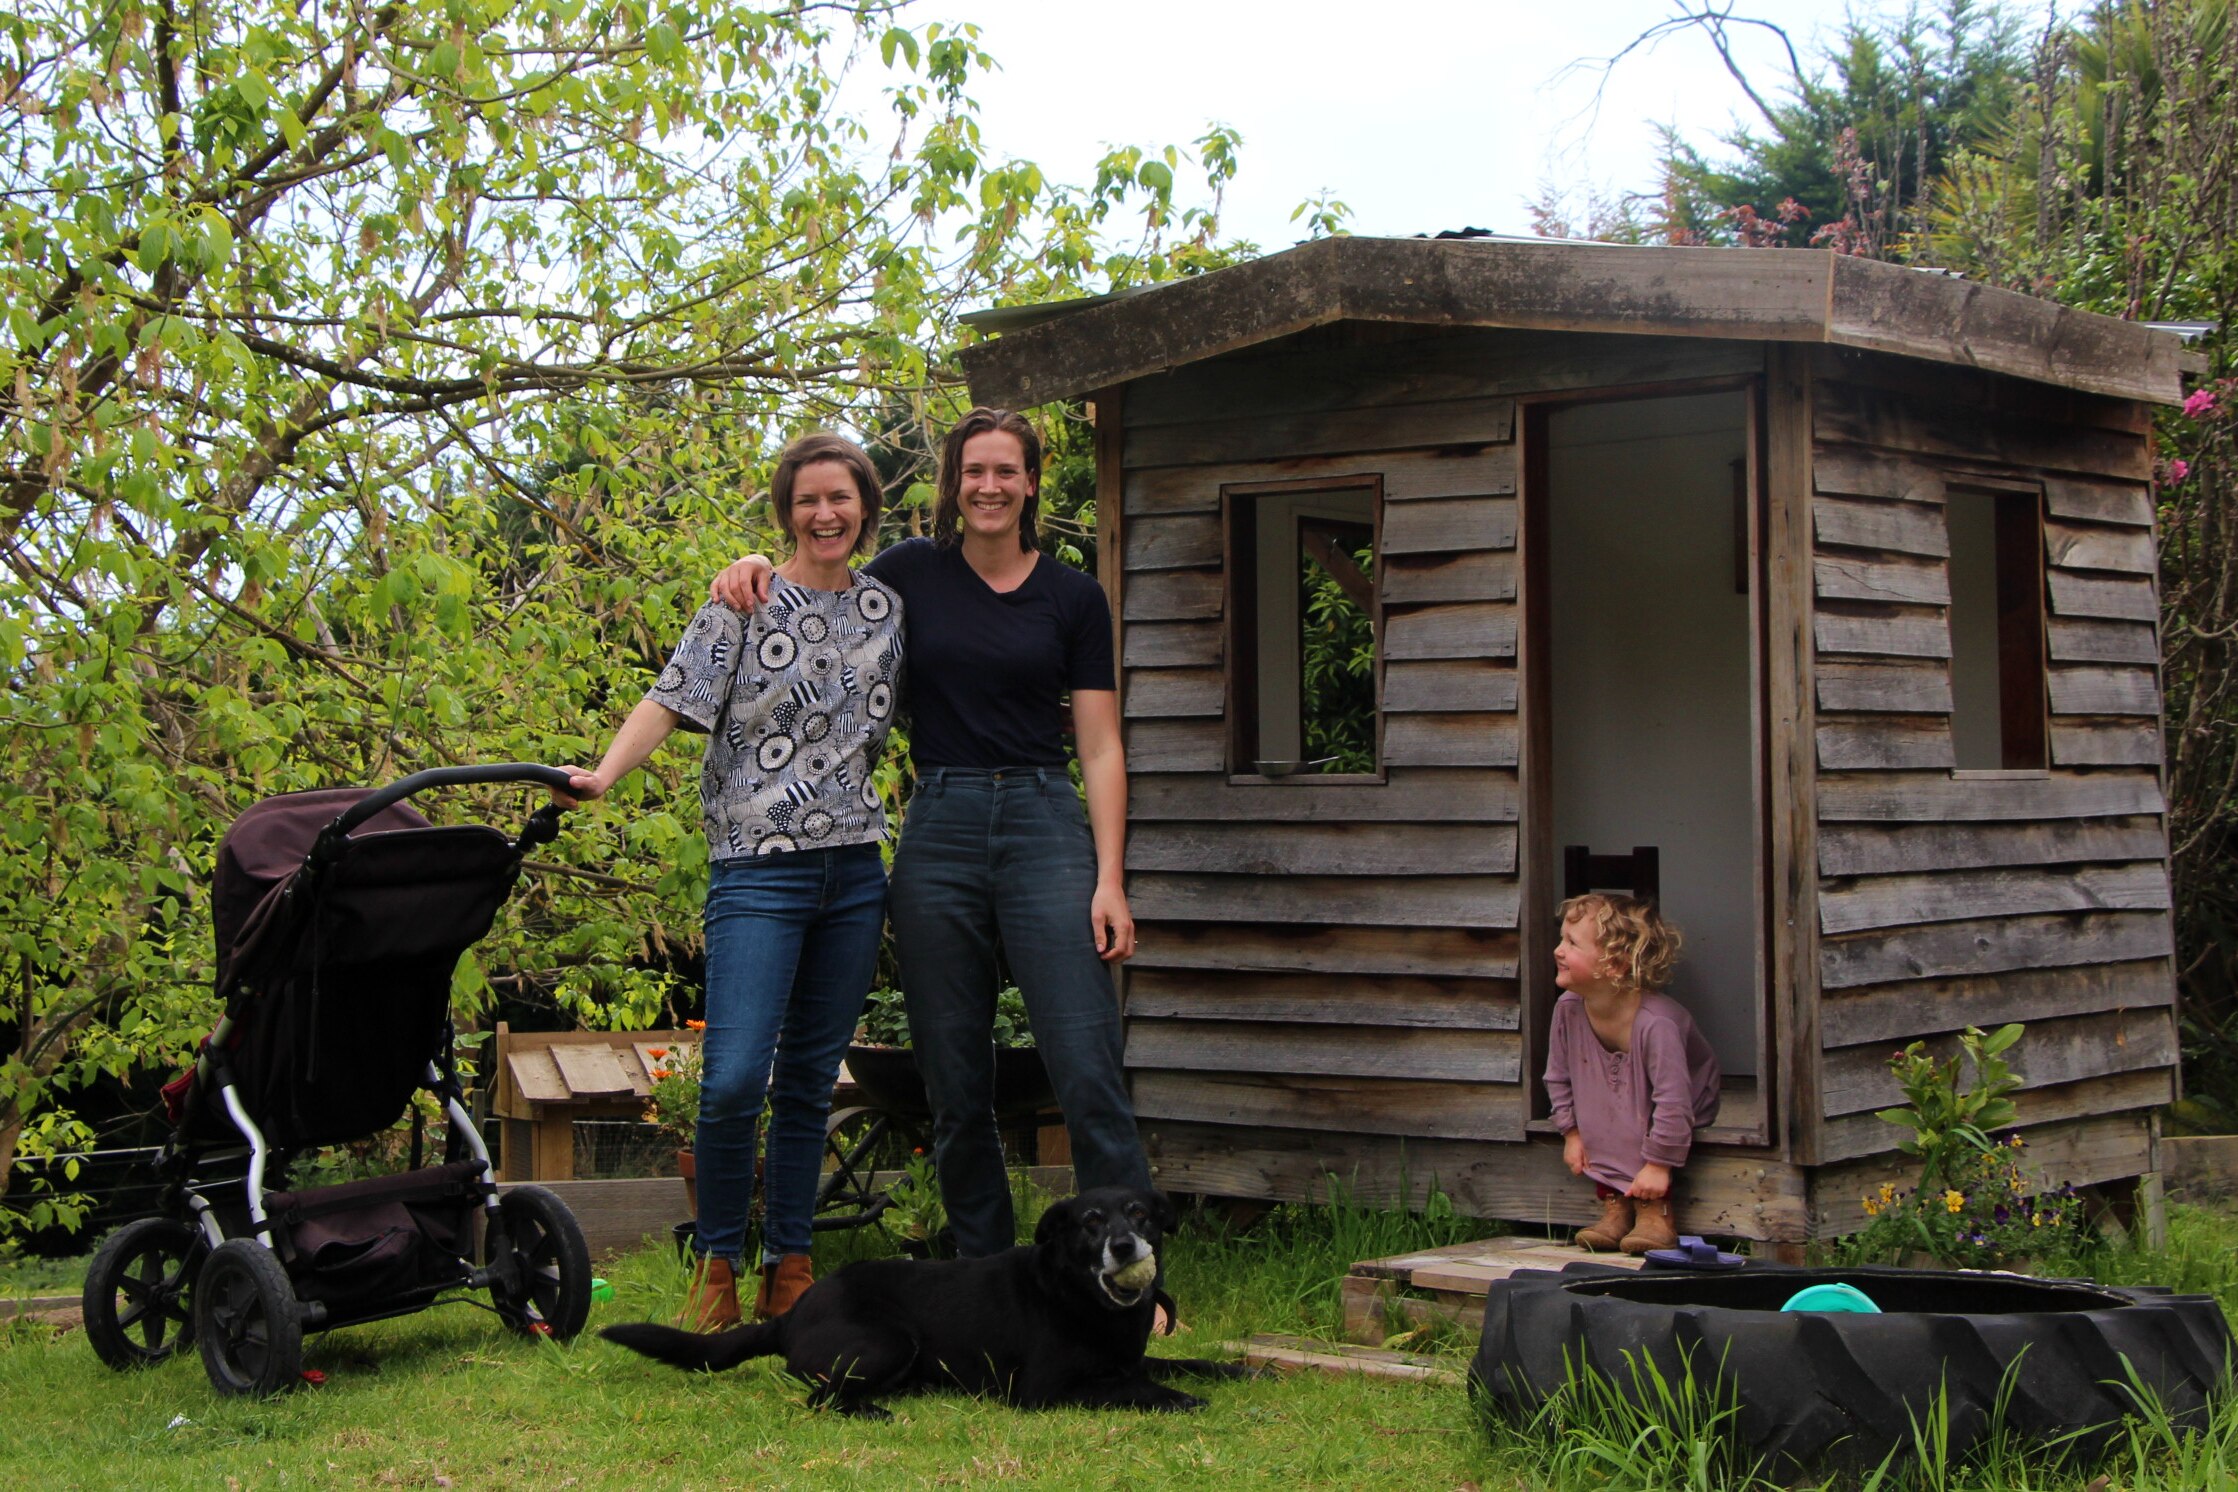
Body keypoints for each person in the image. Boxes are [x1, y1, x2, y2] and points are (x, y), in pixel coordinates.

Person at [709, 407, 1152, 1263]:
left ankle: (1127, 1264)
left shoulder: (1073, 596)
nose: (989, 488)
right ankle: (984, 1268)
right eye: (973, 472)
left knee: (1085, 1061)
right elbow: (820, 580)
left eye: (1005, 472)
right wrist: (754, 564)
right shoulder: (910, 573)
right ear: (953, 485)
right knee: (954, 1077)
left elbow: (1099, 746)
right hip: (938, 826)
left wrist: (1109, 878)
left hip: (1044, 821)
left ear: (1031, 483)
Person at [555, 432, 903, 1328]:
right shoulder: (741, 604)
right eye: (807, 500)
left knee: (809, 1080)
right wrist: (603, 773)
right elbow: (672, 700)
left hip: (856, 869)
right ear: (786, 513)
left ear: (865, 505)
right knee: (737, 1074)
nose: (825, 514)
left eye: (841, 498)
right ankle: (715, 1265)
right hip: (756, 871)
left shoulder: (889, 608)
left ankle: (791, 1264)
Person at [1544, 893, 1722, 1255]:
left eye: (1572, 943)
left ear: (1616, 964)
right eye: (1562, 939)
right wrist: (1571, 1132)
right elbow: (1558, 1077)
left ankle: (1655, 1209)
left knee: (1634, 1110)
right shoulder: (1567, 1010)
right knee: (1600, 1102)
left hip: (1681, 1105)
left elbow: (1673, 1101)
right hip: (1617, 1099)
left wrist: (1658, 1165)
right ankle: (1615, 1205)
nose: (1558, 950)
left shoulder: (1656, 1025)